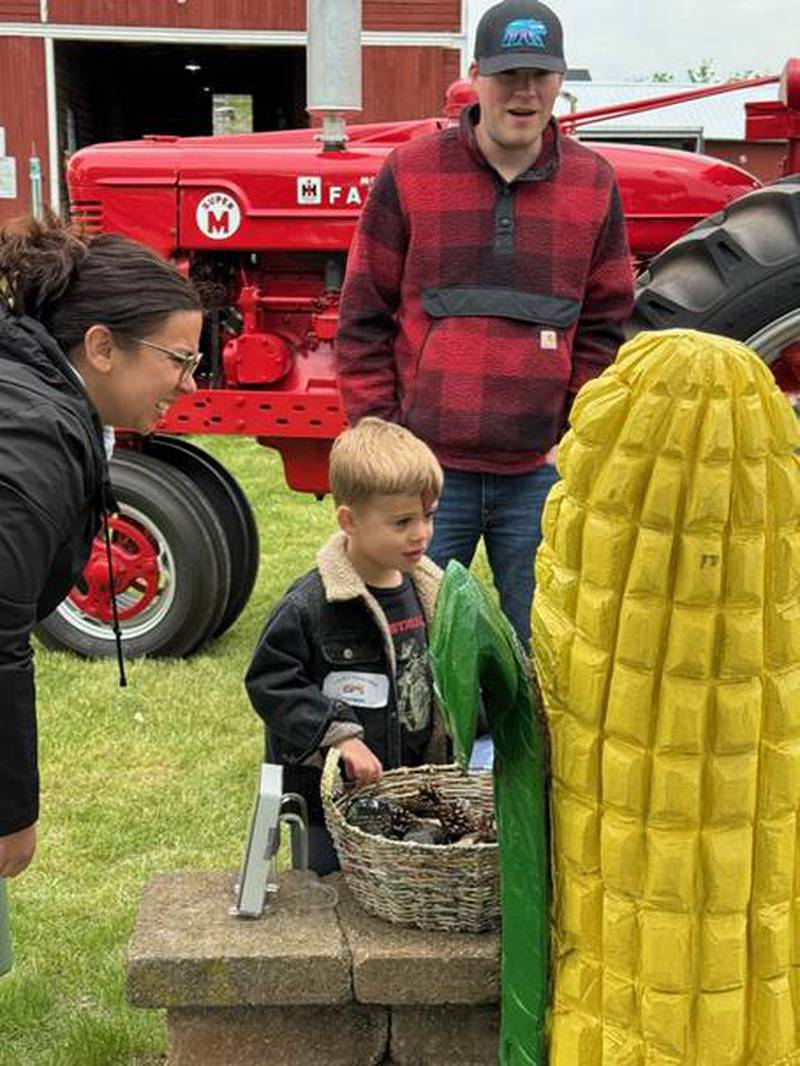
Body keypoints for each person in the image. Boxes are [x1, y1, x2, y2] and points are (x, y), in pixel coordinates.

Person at [336, 0, 635, 646]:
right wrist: (383, 440)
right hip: (426, 475)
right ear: (476, 76)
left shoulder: (593, 183)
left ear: (559, 80)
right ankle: (421, 750)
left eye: (540, 75)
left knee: (545, 645)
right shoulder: (412, 172)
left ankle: (526, 752)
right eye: (507, 75)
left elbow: (608, 324)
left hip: (539, 472)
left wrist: (575, 436)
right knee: (409, 643)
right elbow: (363, 315)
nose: (524, 93)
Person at [0, 215, 202, 879]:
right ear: (101, 347)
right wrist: (10, 814)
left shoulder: (37, 402)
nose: (190, 386)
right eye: (179, 361)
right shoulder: (32, 442)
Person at [245, 417, 449, 875]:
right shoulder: (311, 605)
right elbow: (271, 683)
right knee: (331, 902)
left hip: (409, 796)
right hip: (331, 806)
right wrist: (339, 735)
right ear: (349, 521)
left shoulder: (433, 594)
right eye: (402, 522)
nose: (421, 533)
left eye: (428, 516)